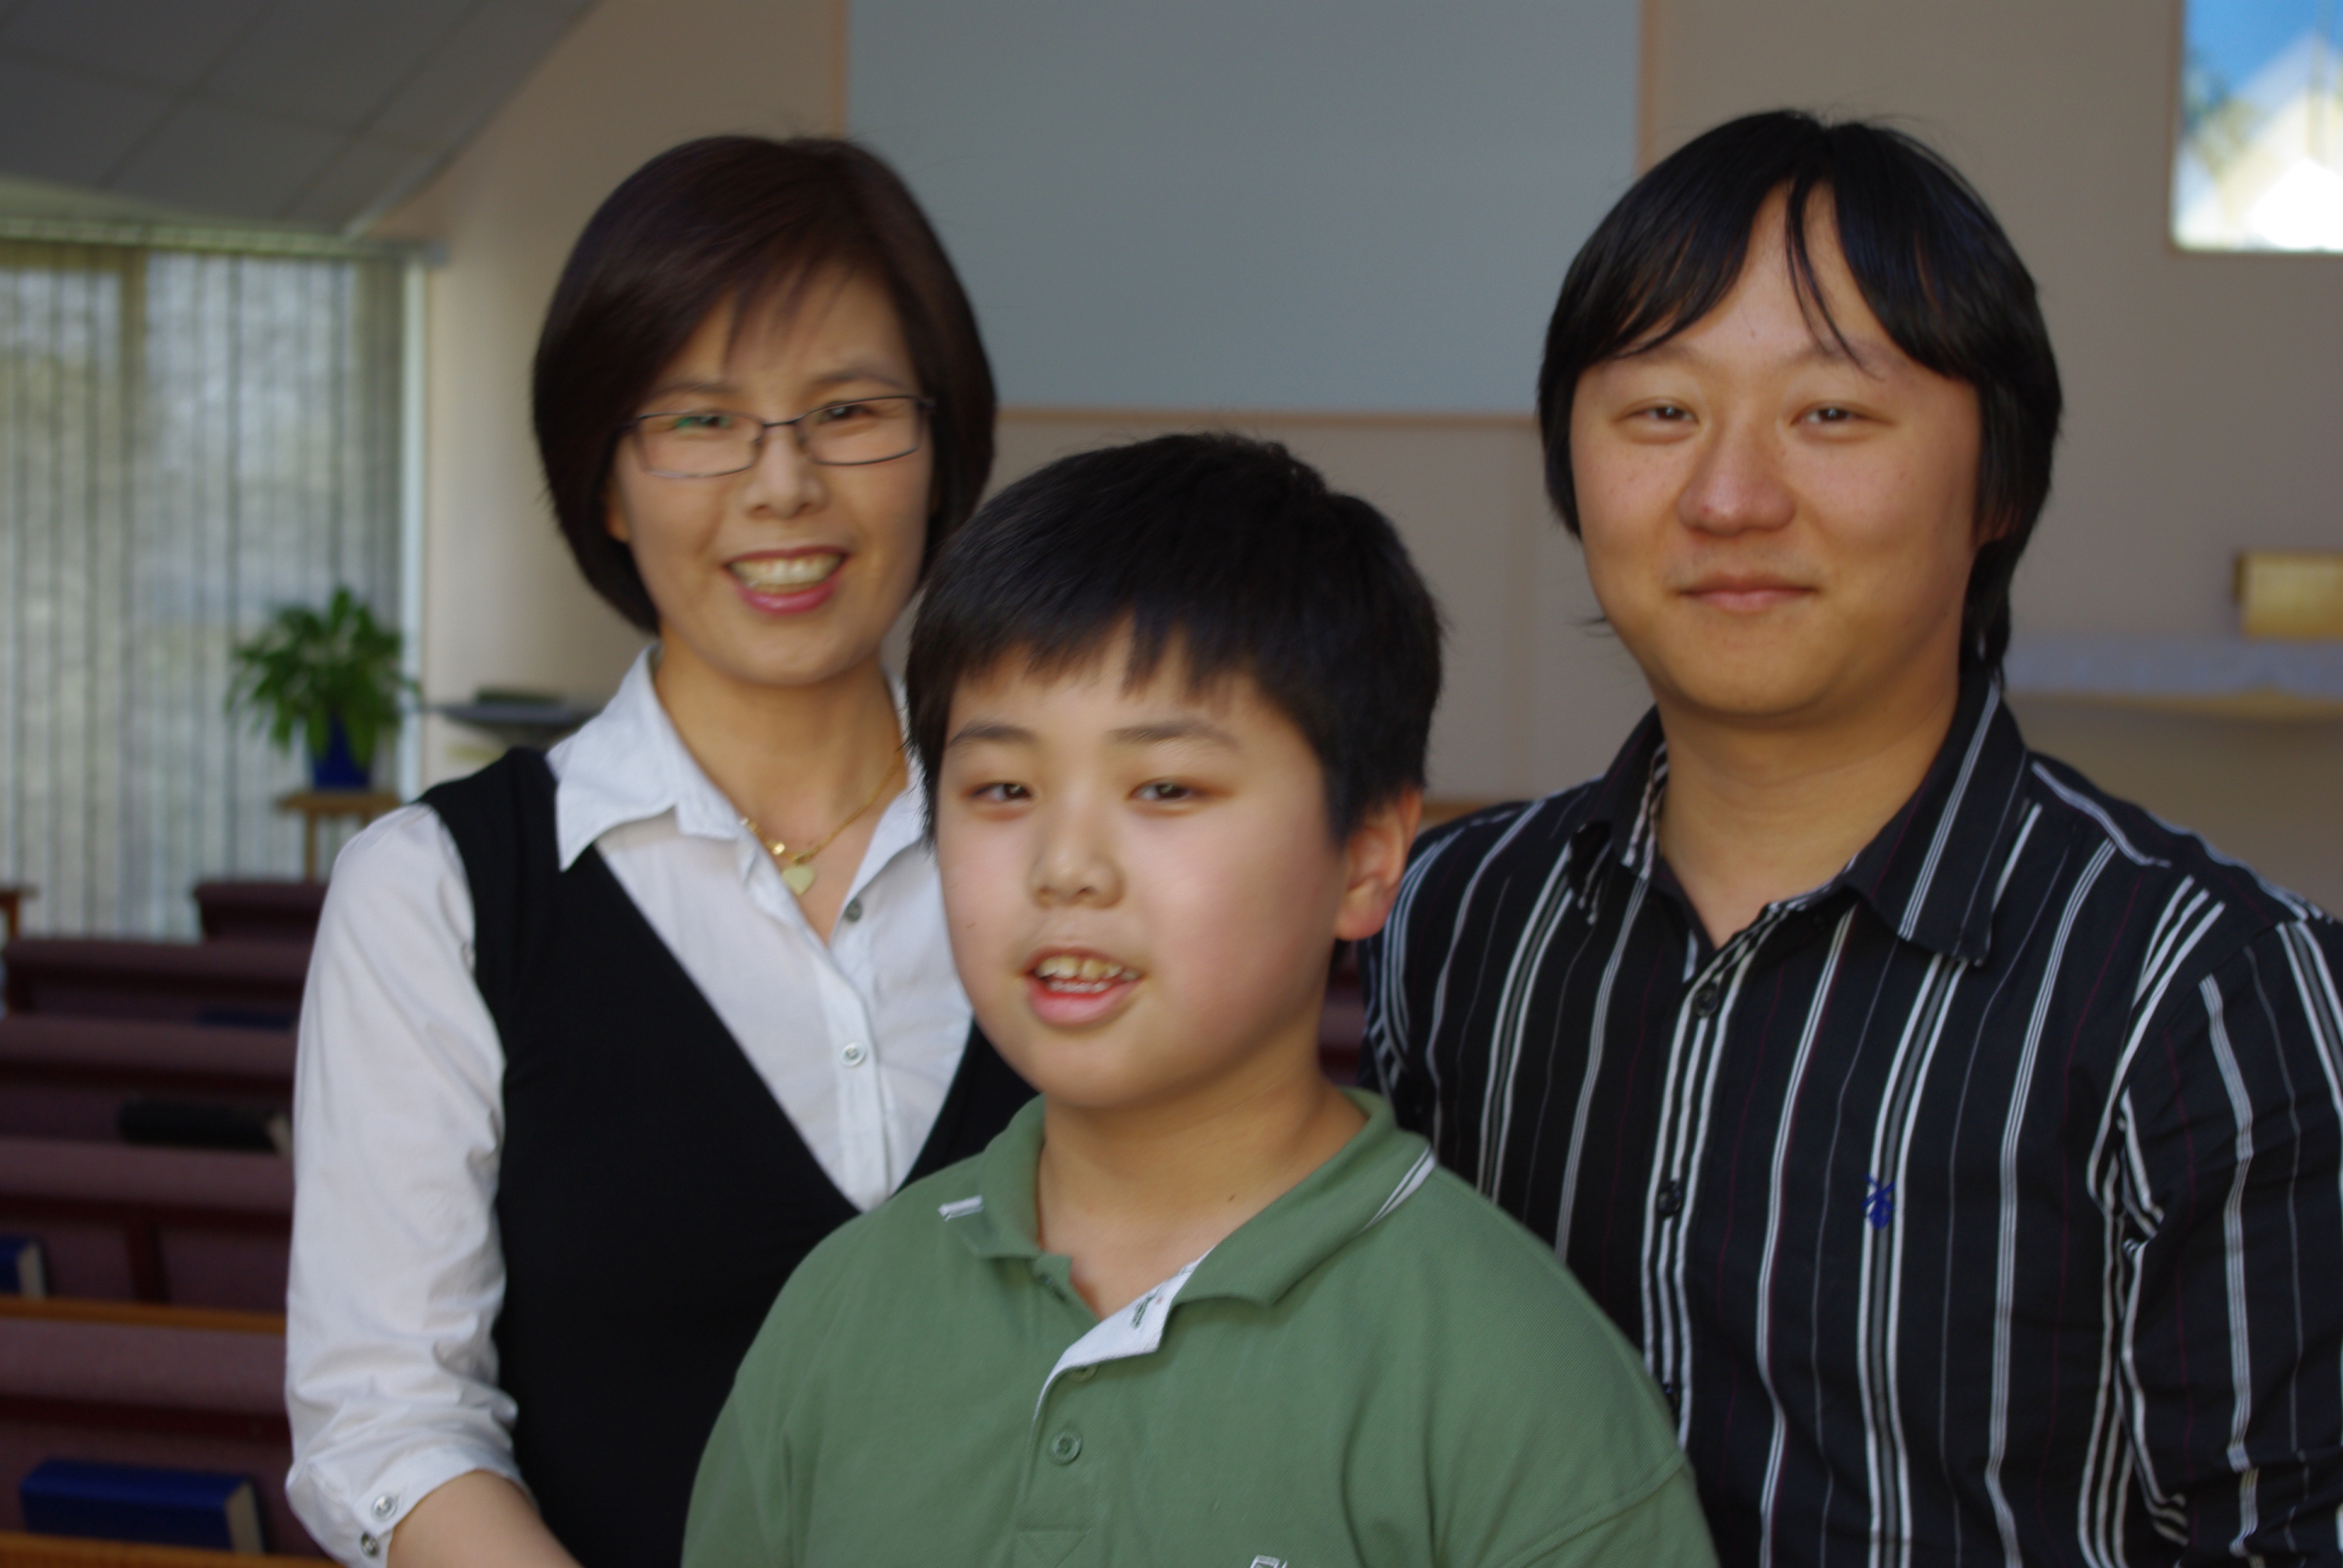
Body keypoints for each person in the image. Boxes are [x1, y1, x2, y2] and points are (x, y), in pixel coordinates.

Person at [1360, 109, 2343, 1565]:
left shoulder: (2206, 992)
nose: (1727, 498)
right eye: (1659, 413)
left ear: (1997, 484)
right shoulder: (1454, 920)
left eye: (1828, 414)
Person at [682, 433, 1719, 1567]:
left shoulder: (1510, 1379)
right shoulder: (842, 1314)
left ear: (1367, 856)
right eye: (1004, 788)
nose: (1065, 867)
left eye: (1166, 787)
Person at [284, 137, 1032, 1568]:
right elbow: (386, 1421)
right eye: (700, 420)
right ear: (609, 481)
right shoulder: (439, 895)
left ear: (940, 451)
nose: (783, 484)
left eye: (849, 411)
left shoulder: (1060, 851)